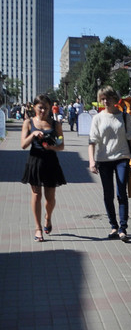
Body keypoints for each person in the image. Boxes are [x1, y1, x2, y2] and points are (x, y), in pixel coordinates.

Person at [88, 86, 131, 242]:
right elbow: (92, 142)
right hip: (104, 160)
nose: (105, 101)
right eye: (102, 98)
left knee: (121, 192)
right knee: (108, 194)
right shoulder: (97, 118)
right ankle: (113, 226)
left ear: (115, 99)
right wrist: (91, 161)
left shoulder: (124, 117)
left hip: (122, 158)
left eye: (108, 98)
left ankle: (123, 228)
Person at [20, 94, 66, 242]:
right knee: (36, 195)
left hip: (51, 163)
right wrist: (33, 134)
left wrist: (52, 146)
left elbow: (62, 145)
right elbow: (23, 145)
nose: (43, 111)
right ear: (34, 107)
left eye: (46, 108)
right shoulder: (28, 122)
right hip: (35, 162)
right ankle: (38, 228)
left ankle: (48, 217)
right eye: (40, 107)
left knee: (50, 199)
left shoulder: (55, 124)